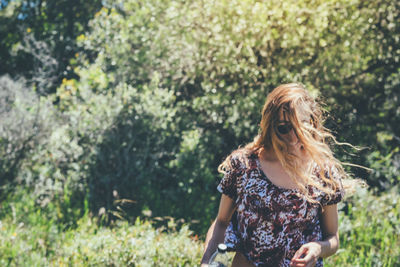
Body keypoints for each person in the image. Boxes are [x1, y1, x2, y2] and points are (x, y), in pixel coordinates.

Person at [200, 83, 365, 267]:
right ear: (270, 127)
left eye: (301, 126)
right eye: (284, 128)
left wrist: (318, 248)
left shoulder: (323, 172)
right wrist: (207, 262)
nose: (294, 137)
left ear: (313, 122)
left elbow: (332, 238)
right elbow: (222, 222)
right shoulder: (243, 165)